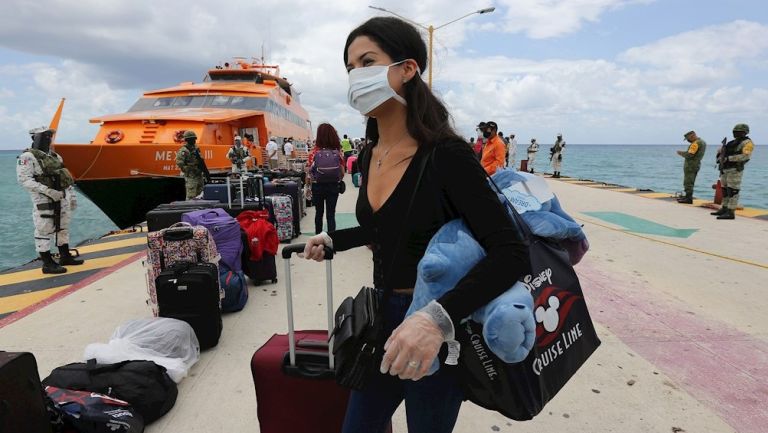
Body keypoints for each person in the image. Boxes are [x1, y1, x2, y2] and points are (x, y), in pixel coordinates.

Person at [303, 16, 529, 433]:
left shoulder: (446, 156)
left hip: (436, 327)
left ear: (408, 69)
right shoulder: (370, 154)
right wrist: (334, 239)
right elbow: (386, 229)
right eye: (350, 68)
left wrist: (437, 320)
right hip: (381, 319)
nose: (355, 77)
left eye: (367, 61)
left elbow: (511, 253)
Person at [17, 127, 85, 274]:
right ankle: (47, 263)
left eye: (50, 135)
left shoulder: (55, 156)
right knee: (43, 229)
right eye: (45, 136)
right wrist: (48, 191)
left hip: (61, 195)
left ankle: (65, 255)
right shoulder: (27, 157)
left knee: (63, 226)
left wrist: (71, 195)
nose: (48, 138)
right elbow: (24, 180)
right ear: (35, 137)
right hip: (43, 197)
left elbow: (64, 178)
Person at [308, 123, 346, 234]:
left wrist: (309, 185)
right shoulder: (337, 152)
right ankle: (331, 241)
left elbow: (309, 173)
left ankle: (317, 240)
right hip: (333, 186)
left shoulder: (314, 152)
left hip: (317, 186)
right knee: (331, 215)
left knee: (318, 214)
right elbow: (342, 173)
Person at [712, 123, 755, 219]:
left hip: (735, 169)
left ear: (744, 132)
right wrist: (720, 154)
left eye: (738, 132)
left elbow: (745, 156)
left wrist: (728, 158)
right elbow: (722, 152)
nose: (735, 133)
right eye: (734, 132)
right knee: (725, 190)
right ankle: (724, 208)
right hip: (725, 169)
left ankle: (731, 212)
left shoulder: (747, 143)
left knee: (733, 191)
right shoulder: (731, 142)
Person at [676, 130, 706, 203]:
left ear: (692, 136)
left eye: (688, 139)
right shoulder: (702, 142)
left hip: (691, 165)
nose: (688, 141)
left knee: (688, 182)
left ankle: (688, 198)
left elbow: (690, 155)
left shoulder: (695, 143)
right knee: (690, 182)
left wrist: (681, 153)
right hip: (696, 164)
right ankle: (687, 197)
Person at [175, 130, 206, 199]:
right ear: (187, 140)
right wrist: (187, 170)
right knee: (191, 194)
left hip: (198, 173)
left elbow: (200, 159)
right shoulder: (184, 150)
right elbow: (179, 162)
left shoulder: (196, 148)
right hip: (191, 175)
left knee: (201, 193)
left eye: (194, 139)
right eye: (192, 139)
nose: (194, 141)